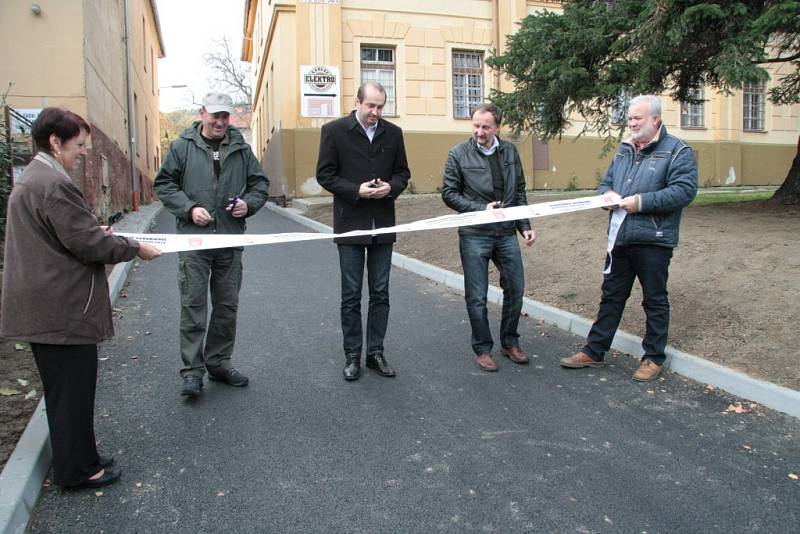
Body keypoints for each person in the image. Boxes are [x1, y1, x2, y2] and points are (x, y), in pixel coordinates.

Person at [0, 107, 161, 490]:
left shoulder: (37, 178)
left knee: (70, 390)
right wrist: (135, 246)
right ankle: (77, 471)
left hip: (49, 305)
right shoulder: (53, 184)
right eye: (79, 145)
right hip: (60, 309)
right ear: (55, 142)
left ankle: (82, 457)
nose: (84, 152)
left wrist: (97, 231)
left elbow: (67, 233)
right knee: (71, 393)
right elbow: (87, 243)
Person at [560, 94, 698, 381]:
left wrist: (641, 202)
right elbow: (606, 183)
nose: (632, 123)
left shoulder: (677, 151)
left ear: (655, 120)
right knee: (611, 296)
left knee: (654, 300)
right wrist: (605, 197)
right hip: (621, 236)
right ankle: (594, 350)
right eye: (630, 118)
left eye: (638, 118)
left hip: (654, 239)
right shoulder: (624, 150)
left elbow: (684, 191)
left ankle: (653, 357)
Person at [155, 93, 268, 397]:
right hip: (194, 240)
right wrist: (189, 208)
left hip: (230, 240)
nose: (220, 122)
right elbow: (164, 184)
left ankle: (218, 363)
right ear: (202, 113)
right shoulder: (182, 147)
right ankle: (192, 371)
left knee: (226, 306)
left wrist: (249, 204)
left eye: (225, 116)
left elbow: (260, 185)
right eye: (215, 115)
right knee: (193, 305)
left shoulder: (242, 149)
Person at [316, 81, 410, 381]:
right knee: (351, 295)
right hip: (351, 224)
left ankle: (375, 353)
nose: (375, 112)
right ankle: (353, 356)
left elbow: (402, 174)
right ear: (356, 102)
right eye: (370, 105)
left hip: (383, 223)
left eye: (380, 106)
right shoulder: (334, 131)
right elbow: (325, 175)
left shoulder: (393, 133)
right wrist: (355, 190)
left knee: (380, 293)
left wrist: (390, 188)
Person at [442, 103, 536, 372]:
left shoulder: (509, 151)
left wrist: (524, 224)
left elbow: (518, 191)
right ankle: (482, 348)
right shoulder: (458, 154)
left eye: (485, 127)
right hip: (475, 234)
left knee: (516, 289)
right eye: (475, 125)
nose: (479, 132)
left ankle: (510, 342)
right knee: (477, 295)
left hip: (506, 233)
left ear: (497, 127)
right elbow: (449, 194)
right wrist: (481, 209)